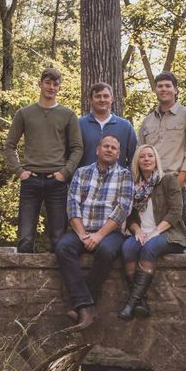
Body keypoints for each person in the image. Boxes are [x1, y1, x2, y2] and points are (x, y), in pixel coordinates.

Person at [54, 134, 133, 330]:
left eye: (113, 148)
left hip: (110, 233)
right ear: (97, 150)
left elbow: (123, 209)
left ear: (119, 154)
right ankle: (87, 305)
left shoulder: (125, 175)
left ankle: (81, 305)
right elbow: (73, 204)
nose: (109, 150)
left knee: (105, 252)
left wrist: (99, 235)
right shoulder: (82, 173)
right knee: (63, 247)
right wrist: (82, 234)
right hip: (82, 229)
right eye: (105, 146)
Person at [3, 67, 84, 253]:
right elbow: (9, 146)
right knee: (25, 237)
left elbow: (78, 148)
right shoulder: (24, 114)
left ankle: (57, 282)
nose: (51, 87)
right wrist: (19, 172)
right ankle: (24, 282)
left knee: (58, 238)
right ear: (40, 84)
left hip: (57, 181)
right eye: (47, 83)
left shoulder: (68, 115)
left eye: (55, 84)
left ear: (59, 88)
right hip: (30, 179)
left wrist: (65, 173)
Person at [118, 145, 186, 320]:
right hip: (143, 232)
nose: (147, 159)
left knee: (149, 248)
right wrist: (137, 231)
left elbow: (175, 212)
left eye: (150, 156)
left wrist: (155, 232)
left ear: (156, 159)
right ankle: (141, 302)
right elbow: (130, 215)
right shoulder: (133, 185)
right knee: (128, 248)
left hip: (168, 234)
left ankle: (131, 304)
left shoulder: (168, 180)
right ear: (137, 161)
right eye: (142, 156)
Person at [138, 71, 186, 223]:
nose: (163, 89)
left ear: (175, 90)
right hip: (149, 187)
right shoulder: (147, 121)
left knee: (176, 237)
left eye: (168, 86)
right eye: (160, 86)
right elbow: (139, 151)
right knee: (151, 232)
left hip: (175, 183)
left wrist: (178, 183)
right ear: (155, 90)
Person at [78, 82, 137, 169]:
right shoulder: (79, 125)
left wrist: (129, 177)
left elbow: (134, 157)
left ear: (112, 99)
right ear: (90, 100)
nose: (102, 100)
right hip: (85, 180)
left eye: (106, 96)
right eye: (98, 96)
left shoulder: (125, 126)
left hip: (117, 181)